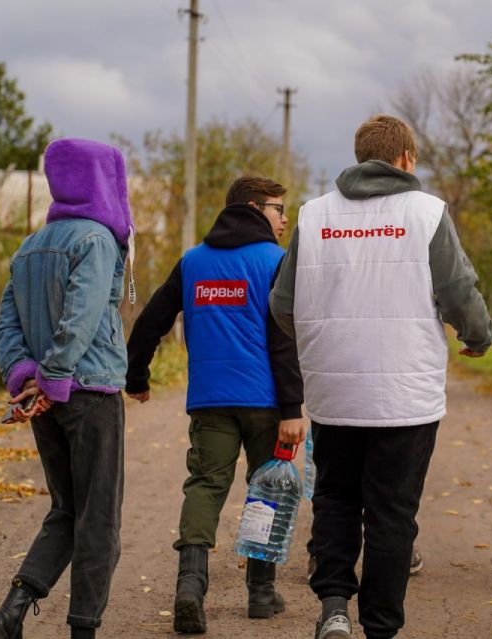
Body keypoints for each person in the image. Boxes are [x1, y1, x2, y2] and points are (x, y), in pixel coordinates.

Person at [270, 114, 492, 639]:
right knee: (393, 514)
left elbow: (283, 305)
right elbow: (460, 292)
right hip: (405, 395)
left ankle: (333, 608)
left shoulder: (314, 215)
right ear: (407, 158)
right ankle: (380, 626)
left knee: (335, 499)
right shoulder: (427, 213)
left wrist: (319, 336)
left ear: (359, 156)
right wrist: (477, 337)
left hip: (334, 389)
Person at [124, 176, 304, 633]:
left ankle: (189, 588)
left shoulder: (193, 263)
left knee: (204, 486)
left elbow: (150, 321)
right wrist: (293, 409)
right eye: (279, 208)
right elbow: (285, 341)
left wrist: (137, 376)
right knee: (267, 490)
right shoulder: (276, 262)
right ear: (253, 207)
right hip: (266, 403)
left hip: (209, 402)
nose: (285, 218)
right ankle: (261, 594)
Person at [0, 138, 135, 639]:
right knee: (99, 521)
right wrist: (54, 376)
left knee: (66, 510)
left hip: (48, 401)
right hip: (89, 392)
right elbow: (84, 315)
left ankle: (11, 612)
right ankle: (83, 630)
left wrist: (28, 377)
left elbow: (4, 328)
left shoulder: (30, 246)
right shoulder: (97, 240)